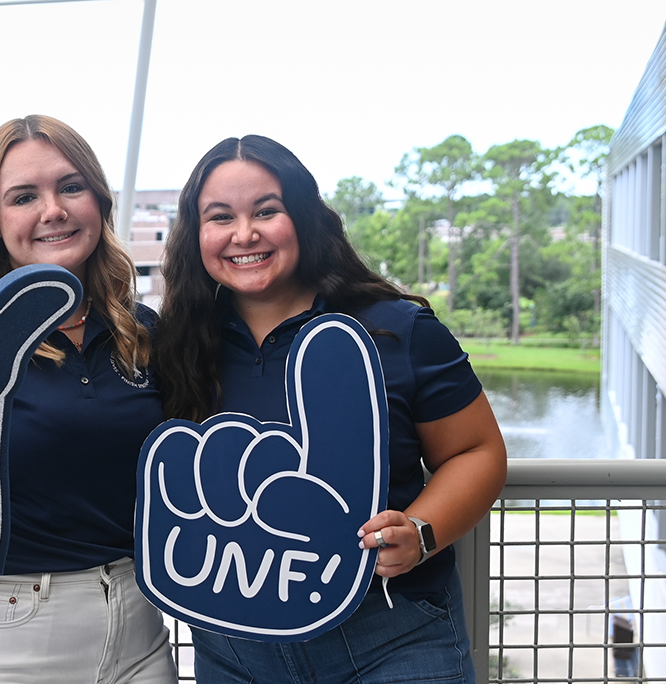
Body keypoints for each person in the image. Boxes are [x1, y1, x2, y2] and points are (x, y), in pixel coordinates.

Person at [153, 135, 507, 683]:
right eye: (220, 217)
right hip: (235, 646)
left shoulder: (397, 329)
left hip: (391, 635)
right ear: (195, 235)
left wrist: (421, 531)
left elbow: (477, 451)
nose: (244, 234)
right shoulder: (173, 346)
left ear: (303, 217)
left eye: (266, 211)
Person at [0, 114, 178, 683]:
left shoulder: (141, 332)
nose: (53, 209)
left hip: (141, 624)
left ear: (99, 202)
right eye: (24, 196)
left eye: (71, 187)